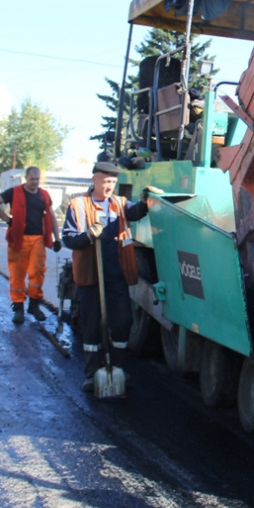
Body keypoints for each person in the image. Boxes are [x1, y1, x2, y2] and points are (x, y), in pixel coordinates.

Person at [62, 161, 149, 394]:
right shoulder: (78, 205)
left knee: (122, 322)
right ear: (94, 180)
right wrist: (88, 236)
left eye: (113, 182)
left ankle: (117, 367)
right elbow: (68, 238)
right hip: (91, 275)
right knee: (92, 326)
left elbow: (135, 212)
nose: (110, 186)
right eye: (105, 181)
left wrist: (146, 200)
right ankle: (92, 374)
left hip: (116, 274)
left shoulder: (120, 204)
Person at [0, 167, 62, 324]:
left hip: (38, 240)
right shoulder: (14, 192)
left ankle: (34, 306)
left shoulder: (44, 195)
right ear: (26, 178)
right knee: (17, 274)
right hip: (18, 240)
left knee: (38, 273)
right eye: (32, 179)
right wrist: (7, 219)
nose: (34, 182)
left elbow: (52, 216)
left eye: (37, 179)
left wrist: (57, 238)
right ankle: (18, 309)